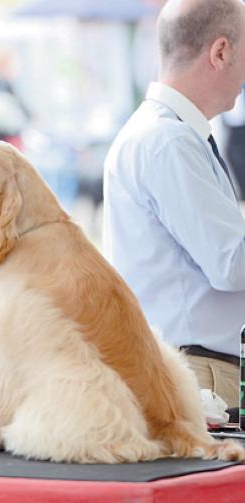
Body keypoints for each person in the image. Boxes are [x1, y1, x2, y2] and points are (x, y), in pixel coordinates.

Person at [103, 0, 245, 413]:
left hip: (194, 368)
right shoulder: (169, 140)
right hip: (199, 373)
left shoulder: (166, 134)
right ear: (220, 52)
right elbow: (231, 264)